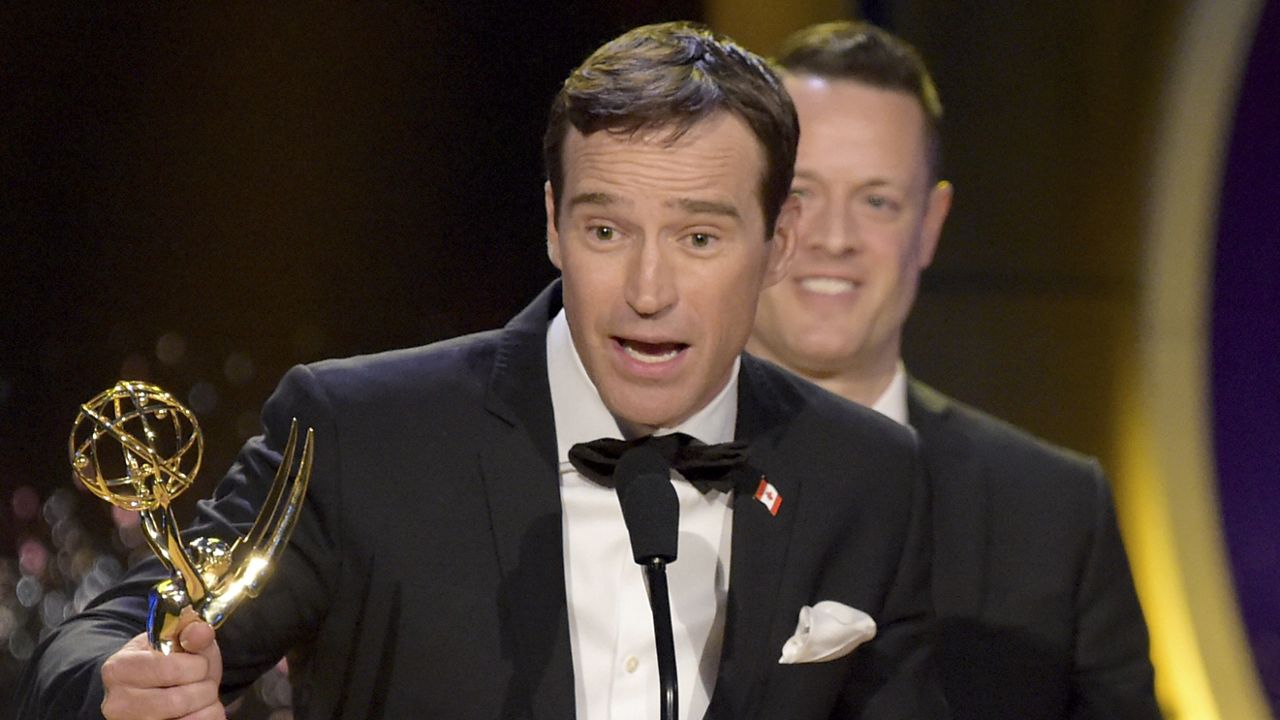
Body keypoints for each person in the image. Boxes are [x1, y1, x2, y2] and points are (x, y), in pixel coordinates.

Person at [17, 22, 947, 720]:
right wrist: (116, 682)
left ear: (776, 244)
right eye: (606, 231)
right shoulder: (360, 436)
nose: (648, 290)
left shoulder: (867, 476)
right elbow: (105, 631)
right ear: (552, 224)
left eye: (700, 237)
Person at [747, 20, 1160, 719]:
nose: (834, 238)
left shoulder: (1055, 515)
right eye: (800, 193)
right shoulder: (627, 471)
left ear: (930, 225)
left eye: (877, 200)